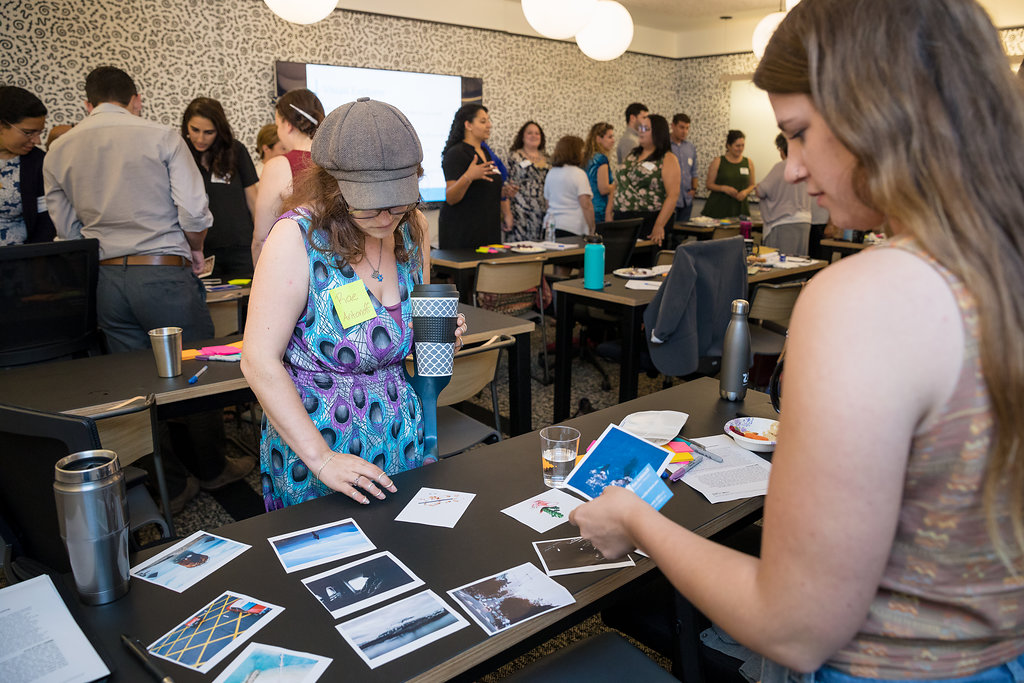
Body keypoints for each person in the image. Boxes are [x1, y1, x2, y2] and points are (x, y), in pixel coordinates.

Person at [571, 1, 1024, 681]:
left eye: (801, 134)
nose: (796, 169)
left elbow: (792, 624)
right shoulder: (998, 265)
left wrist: (635, 519)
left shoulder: (863, 298)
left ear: (881, 112)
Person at [241, 97, 468, 510]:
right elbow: (258, 360)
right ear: (333, 188)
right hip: (319, 442)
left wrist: (442, 341)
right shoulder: (297, 238)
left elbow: (410, 345)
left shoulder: (411, 230)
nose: (388, 216)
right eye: (372, 201)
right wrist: (321, 457)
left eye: (400, 199)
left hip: (400, 437)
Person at [43, 66, 251, 510]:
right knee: (195, 372)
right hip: (161, 271)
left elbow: (65, 230)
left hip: (105, 280)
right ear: (135, 99)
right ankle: (212, 469)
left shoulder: (59, 148)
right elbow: (195, 211)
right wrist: (195, 251)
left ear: (87, 103)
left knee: (134, 386)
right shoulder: (161, 137)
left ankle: (171, 484)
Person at [181, 97, 259, 279]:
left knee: (246, 303)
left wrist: (261, 240)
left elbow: (253, 199)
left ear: (219, 130)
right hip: (200, 249)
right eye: (195, 130)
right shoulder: (180, 153)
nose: (200, 138)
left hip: (240, 247)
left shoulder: (236, 150)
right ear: (186, 127)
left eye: (208, 132)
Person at [251, 88, 324, 266]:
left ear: (288, 124)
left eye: (277, 125)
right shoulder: (337, 160)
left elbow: (261, 238)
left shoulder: (278, 166)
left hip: (298, 267)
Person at [438, 104, 509, 249]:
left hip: (488, 230)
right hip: (464, 234)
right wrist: (468, 176)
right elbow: (451, 197)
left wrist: (503, 192)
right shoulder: (455, 153)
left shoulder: (485, 151)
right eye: (483, 121)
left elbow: (480, 191)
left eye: (488, 121)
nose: (489, 125)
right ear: (468, 125)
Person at [613, 114, 679, 246]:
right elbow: (618, 184)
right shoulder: (633, 154)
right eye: (640, 128)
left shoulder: (667, 158)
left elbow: (672, 195)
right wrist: (610, 214)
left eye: (646, 129)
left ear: (657, 132)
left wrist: (659, 226)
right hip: (622, 219)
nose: (640, 132)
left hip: (649, 220)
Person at [0, 86, 55, 245]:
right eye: (28, 132)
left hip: (18, 262)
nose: (37, 141)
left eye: (39, 133)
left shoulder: (39, 163)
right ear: (2, 126)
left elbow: (46, 224)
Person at [756, 133, 811, 256]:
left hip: (783, 223)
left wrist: (757, 187)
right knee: (798, 264)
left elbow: (761, 191)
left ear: (782, 149)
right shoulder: (807, 167)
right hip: (804, 221)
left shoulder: (782, 166)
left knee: (780, 265)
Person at [505, 121, 549, 242]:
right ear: (522, 137)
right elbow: (506, 186)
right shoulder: (514, 157)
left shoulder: (549, 159)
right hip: (519, 213)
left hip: (542, 213)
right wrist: (507, 213)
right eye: (529, 133)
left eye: (537, 133)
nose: (534, 136)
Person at [542, 135, 594, 238]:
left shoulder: (551, 173)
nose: (583, 153)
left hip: (550, 226)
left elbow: (547, 203)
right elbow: (586, 204)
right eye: (582, 150)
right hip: (572, 228)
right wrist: (592, 227)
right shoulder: (579, 174)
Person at [702, 129, 755, 219]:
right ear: (728, 146)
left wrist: (745, 192)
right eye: (737, 146)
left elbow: (752, 185)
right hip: (719, 207)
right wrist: (723, 188)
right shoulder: (718, 161)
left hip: (740, 207)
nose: (740, 149)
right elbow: (709, 185)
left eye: (743, 145)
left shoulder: (748, 162)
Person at [584, 122, 616, 224]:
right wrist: (616, 185)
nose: (613, 140)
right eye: (610, 137)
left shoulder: (586, 158)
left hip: (586, 208)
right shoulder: (601, 159)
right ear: (598, 139)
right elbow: (603, 188)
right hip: (599, 209)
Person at [670, 113, 698, 223]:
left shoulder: (690, 147)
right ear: (673, 126)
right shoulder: (665, 145)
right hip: (670, 199)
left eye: (687, 128)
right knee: (668, 235)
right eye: (681, 127)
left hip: (687, 199)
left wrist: (694, 190)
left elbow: (694, 171)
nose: (684, 131)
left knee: (682, 236)